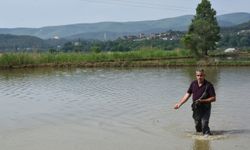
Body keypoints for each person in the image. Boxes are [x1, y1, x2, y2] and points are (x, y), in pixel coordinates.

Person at [174, 69, 216, 135]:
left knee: (204, 123)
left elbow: (213, 98)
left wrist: (202, 101)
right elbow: (187, 94)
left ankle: (207, 137)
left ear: (204, 75)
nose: (199, 77)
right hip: (196, 108)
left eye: (201, 75)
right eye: (198, 75)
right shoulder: (193, 84)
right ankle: (199, 140)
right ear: (196, 76)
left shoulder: (209, 85)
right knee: (197, 125)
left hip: (206, 108)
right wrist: (179, 104)